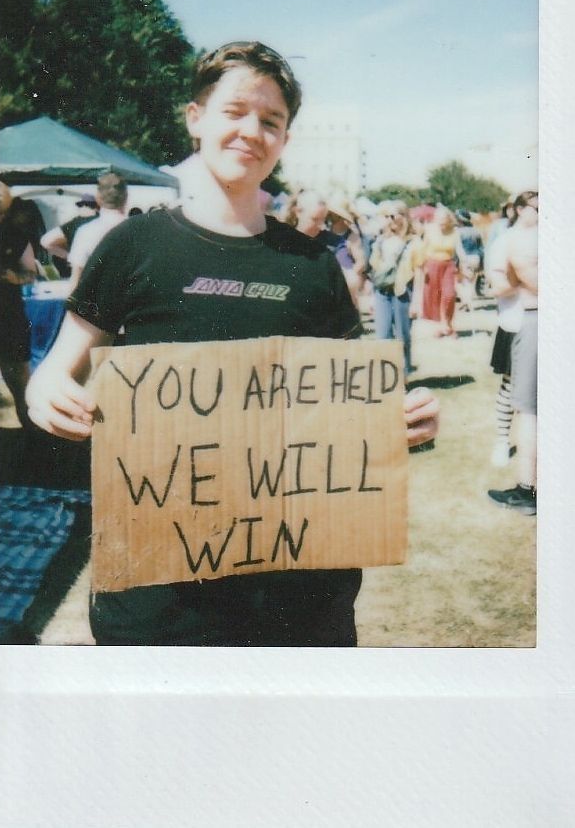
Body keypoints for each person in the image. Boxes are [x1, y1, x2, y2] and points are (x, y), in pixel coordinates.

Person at [26, 41, 439, 647]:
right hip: (159, 601)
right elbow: (56, 369)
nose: (252, 131)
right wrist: (45, 392)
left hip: (299, 599)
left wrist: (405, 417)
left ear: (285, 141)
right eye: (235, 111)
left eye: (271, 121)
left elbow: (360, 402)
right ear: (196, 119)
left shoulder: (314, 266)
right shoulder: (133, 247)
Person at [488, 190, 538, 515]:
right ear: (520, 210)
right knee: (523, 403)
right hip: (523, 321)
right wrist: (519, 277)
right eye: (537, 207)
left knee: (533, 409)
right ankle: (525, 483)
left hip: (539, 320)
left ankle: (527, 490)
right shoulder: (507, 240)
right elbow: (497, 285)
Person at [0, 180, 37, 427]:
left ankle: (32, 432)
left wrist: (15, 278)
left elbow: (30, 273)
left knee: (19, 382)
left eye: (2, 212)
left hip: (9, 316)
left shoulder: (16, 236)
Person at [369, 201, 424, 377]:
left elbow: (420, 271)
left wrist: (417, 301)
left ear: (403, 217)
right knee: (382, 335)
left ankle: (404, 376)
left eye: (392, 216)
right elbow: (376, 271)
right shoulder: (380, 241)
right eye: (385, 216)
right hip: (382, 292)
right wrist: (372, 297)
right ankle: (383, 376)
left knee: (403, 336)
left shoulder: (414, 242)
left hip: (402, 293)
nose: (388, 220)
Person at [485, 196, 520, 467]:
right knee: (510, 385)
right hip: (515, 320)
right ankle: (501, 440)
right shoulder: (506, 240)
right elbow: (497, 285)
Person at [66, 172, 128, 291]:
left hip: (98, 303)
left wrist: (70, 309)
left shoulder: (85, 232)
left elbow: (76, 279)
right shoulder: (142, 230)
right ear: (126, 197)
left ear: (98, 198)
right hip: (135, 305)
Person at [422, 206, 466, 337]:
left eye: (444, 219)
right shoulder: (429, 230)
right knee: (435, 297)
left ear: (449, 219)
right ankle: (443, 326)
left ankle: (447, 323)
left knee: (449, 295)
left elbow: (460, 250)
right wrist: (422, 266)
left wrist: (466, 263)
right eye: (438, 219)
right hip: (432, 265)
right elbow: (423, 249)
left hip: (448, 265)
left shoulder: (455, 232)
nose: (441, 222)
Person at [40, 193, 99, 278]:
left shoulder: (73, 224)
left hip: (80, 270)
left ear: (82, 206)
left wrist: (69, 256)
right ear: (97, 207)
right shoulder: (104, 221)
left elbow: (45, 241)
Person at [454, 209, 484, 312]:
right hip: (476, 258)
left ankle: (468, 303)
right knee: (470, 282)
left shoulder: (458, 232)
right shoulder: (476, 231)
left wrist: (457, 262)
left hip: (465, 258)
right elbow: (481, 247)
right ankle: (467, 303)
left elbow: (457, 249)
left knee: (459, 282)